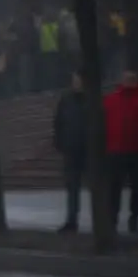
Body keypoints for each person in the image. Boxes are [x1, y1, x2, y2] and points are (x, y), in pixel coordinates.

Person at [103, 68, 138, 234]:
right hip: (116, 150)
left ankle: (134, 217)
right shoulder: (111, 100)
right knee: (114, 188)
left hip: (137, 151)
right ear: (122, 80)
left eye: (133, 78)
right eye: (127, 78)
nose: (130, 81)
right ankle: (112, 219)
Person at [53, 71, 88, 233]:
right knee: (72, 188)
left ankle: (105, 221)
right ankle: (71, 220)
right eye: (74, 80)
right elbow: (58, 122)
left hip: (89, 150)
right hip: (71, 149)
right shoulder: (66, 99)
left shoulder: (92, 98)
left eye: (79, 80)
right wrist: (60, 143)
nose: (76, 83)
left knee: (97, 187)